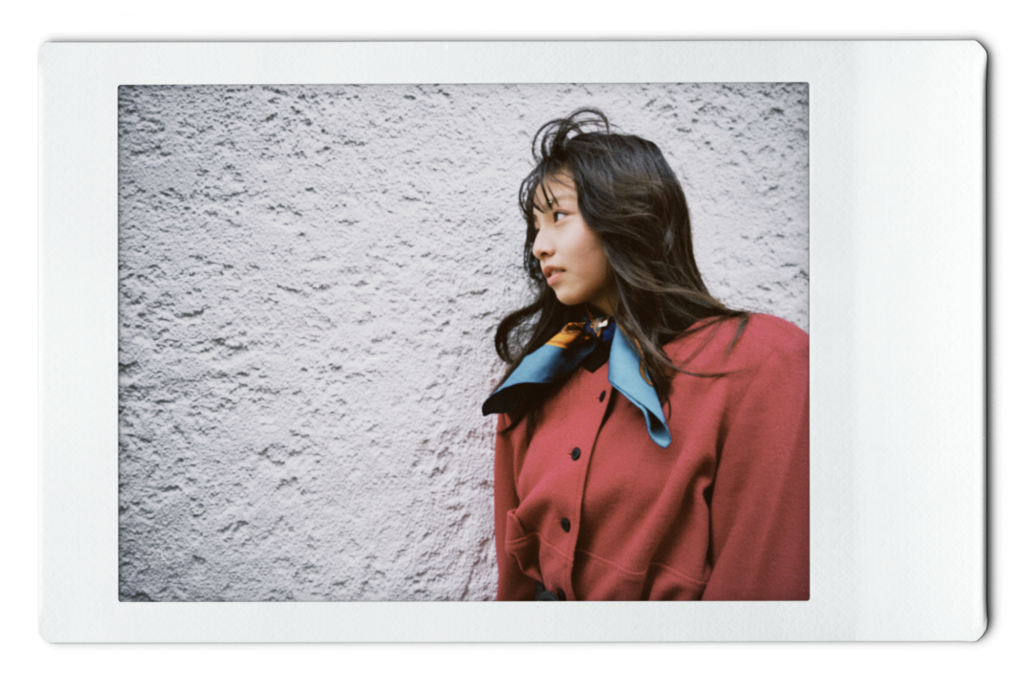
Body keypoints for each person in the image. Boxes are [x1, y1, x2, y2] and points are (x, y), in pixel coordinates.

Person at [482, 109, 809, 601]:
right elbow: (515, 589)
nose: (539, 247)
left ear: (627, 215)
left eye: (558, 217)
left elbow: (763, 580)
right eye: (534, 228)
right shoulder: (533, 381)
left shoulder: (763, 360)